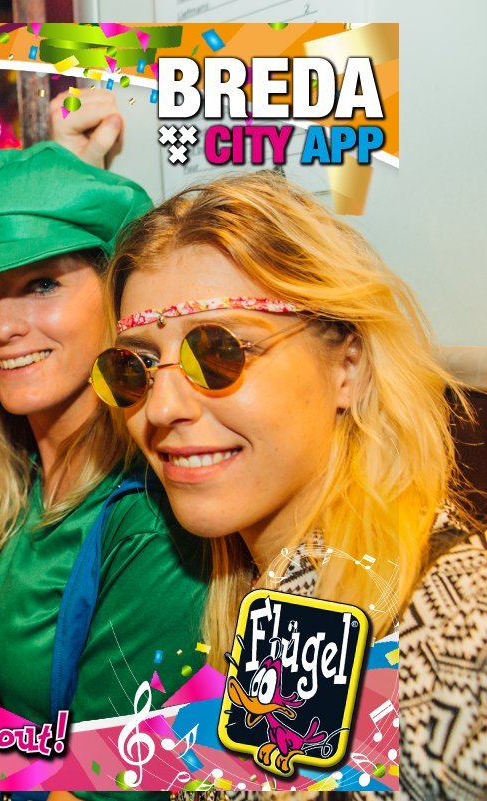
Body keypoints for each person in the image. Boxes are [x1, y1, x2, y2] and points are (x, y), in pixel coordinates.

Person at [94, 171, 484, 799]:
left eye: (220, 352)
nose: (161, 407)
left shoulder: (453, 630)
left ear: (347, 366)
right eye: (134, 365)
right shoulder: (273, 592)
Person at [0, 141, 210, 752]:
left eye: (42, 284)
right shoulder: (0, 504)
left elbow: (116, 774)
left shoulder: (152, 524)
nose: (4, 328)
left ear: (116, 296)